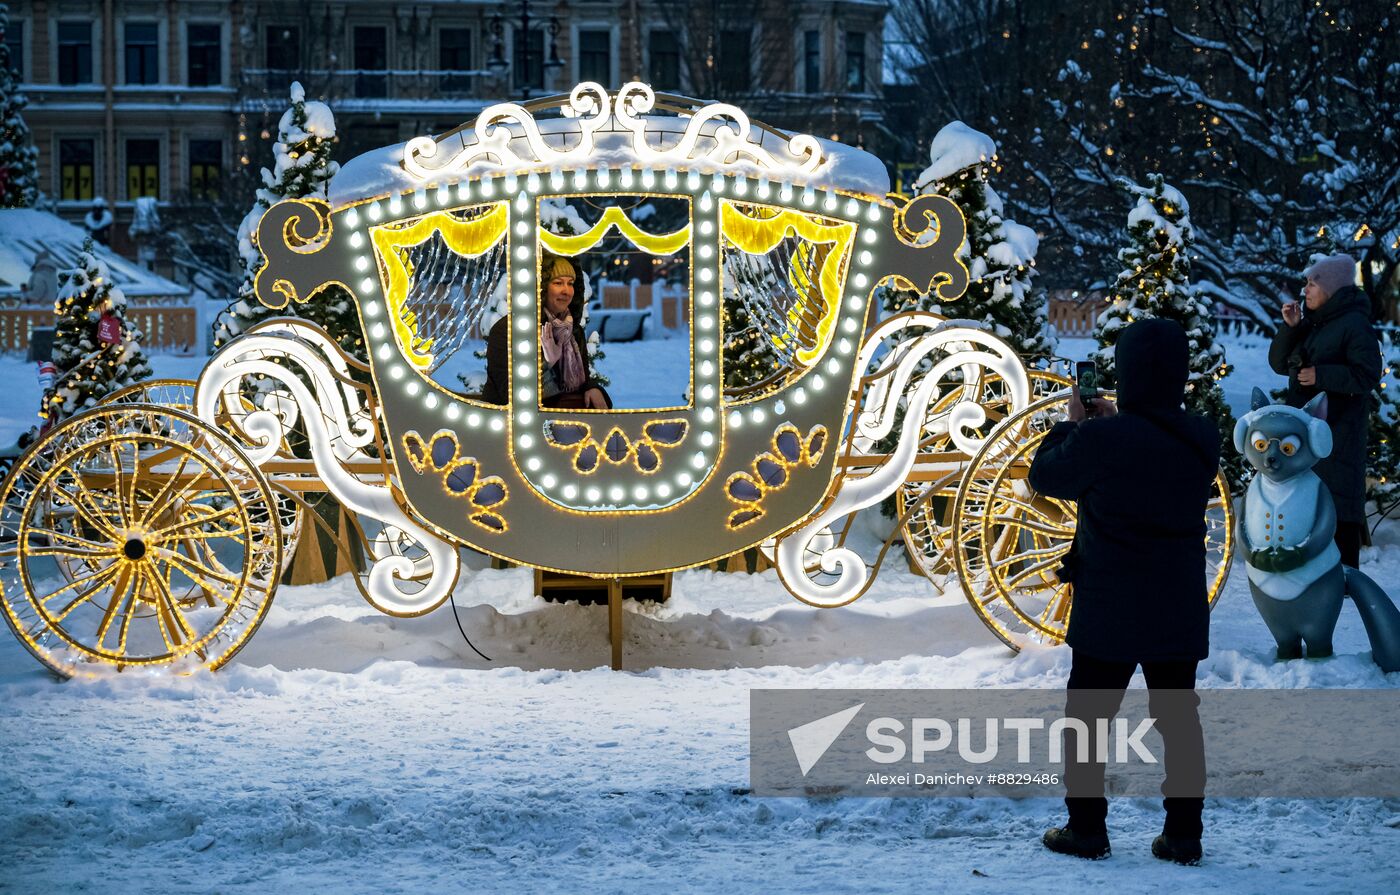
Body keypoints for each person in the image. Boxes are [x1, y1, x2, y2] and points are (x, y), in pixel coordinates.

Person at [1029, 319, 1217, 865]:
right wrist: (1114, 425)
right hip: (1177, 602)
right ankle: (1184, 835)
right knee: (1179, 719)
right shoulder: (1201, 436)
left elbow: (1047, 477)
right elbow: (1151, 446)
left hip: (1109, 602)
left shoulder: (1100, 439)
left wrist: (1074, 426)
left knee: (1087, 718)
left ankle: (1086, 830)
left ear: (1127, 372)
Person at [1268, 253, 1382, 567]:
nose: (1305, 290)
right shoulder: (1315, 324)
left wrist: (1322, 376)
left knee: (1337, 502)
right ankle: (1312, 575)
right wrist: (1291, 328)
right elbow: (1279, 363)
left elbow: (1368, 374)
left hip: (1339, 433)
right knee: (1309, 501)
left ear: (1329, 289)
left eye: (1312, 283)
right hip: (1308, 430)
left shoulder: (1354, 324)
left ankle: (1343, 579)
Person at [481, 253, 611, 409]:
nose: (566, 291)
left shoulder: (572, 330)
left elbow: (582, 380)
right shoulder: (508, 329)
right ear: (541, 288)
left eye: (570, 283)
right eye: (558, 283)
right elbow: (509, 391)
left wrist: (592, 388)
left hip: (568, 424)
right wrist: (548, 363)